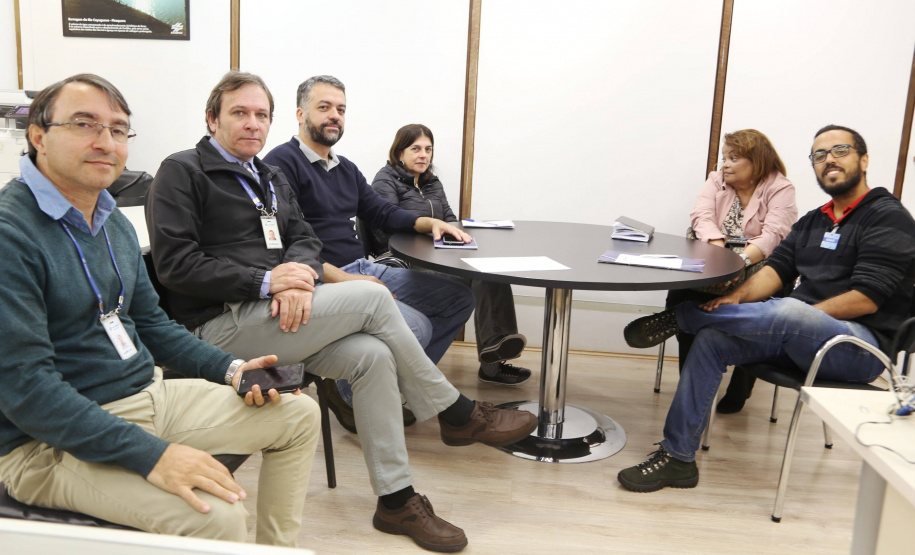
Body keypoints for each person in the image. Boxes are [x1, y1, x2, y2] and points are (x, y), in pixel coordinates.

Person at [146, 71, 538, 553]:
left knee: (372, 356)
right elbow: (174, 265)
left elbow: (304, 239)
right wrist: (268, 282)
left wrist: (298, 275)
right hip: (216, 327)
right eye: (239, 113)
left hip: (278, 313)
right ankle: (456, 414)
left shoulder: (265, 178)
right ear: (212, 118)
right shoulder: (182, 171)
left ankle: (395, 499)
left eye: (260, 115)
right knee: (374, 297)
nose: (253, 124)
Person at [0, 73, 321, 546]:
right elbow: (27, 389)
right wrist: (155, 456)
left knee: (299, 415)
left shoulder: (112, 222)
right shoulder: (13, 233)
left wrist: (232, 369)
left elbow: (151, 324)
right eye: (85, 124)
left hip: (143, 397)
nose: (105, 141)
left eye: (117, 129)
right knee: (217, 517)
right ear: (38, 136)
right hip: (45, 442)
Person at [618, 125, 915, 493]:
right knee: (712, 339)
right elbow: (777, 270)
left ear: (864, 159)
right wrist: (735, 299)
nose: (829, 160)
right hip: (795, 334)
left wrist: (800, 317)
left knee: (790, 311)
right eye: (819, 155)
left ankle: (681, 318)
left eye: (840, 150)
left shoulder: (887, 217)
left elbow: (866, 298)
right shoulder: (814, 220)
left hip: (858, 348)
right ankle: (678, 458)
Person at [262, 77, 485, 426]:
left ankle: (382, 390)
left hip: (361, 266)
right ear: (300, 113)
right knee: (418, 327)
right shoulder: (281, 163)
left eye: (341, 109)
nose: (334, 116)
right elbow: (281, 243)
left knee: (459, 299)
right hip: (322, 276)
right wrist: (351, 281)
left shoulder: (345, 168)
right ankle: (357, 396)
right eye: (324, 108)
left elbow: (382, 212)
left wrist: (432, 224)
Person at [624, 129, 797, 413]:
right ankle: (690, 382)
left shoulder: (780, 187)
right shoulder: (716, 180)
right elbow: (701, 216)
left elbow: (774, 235)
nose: (725, 164)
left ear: (758, 162)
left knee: (756, 304)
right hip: (717, 260)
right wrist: (720, 257)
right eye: (724, 157)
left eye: (734, 157)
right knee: (688, 289)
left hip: (759, 266)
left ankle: (739, 385)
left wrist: (737, 262)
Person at [371, 124, 531, 386]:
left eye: (428, 149)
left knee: (490, 271)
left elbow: (450, 221)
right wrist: (427, 229)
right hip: (409, 262)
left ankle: (495, 351)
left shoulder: (432, 183)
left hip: (440, 256)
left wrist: (462, 237)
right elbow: (386, 226)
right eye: (416, 149)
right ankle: (493, 357)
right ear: (400, 152)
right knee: (475, 277)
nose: (424, 155)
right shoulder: (385, 181)